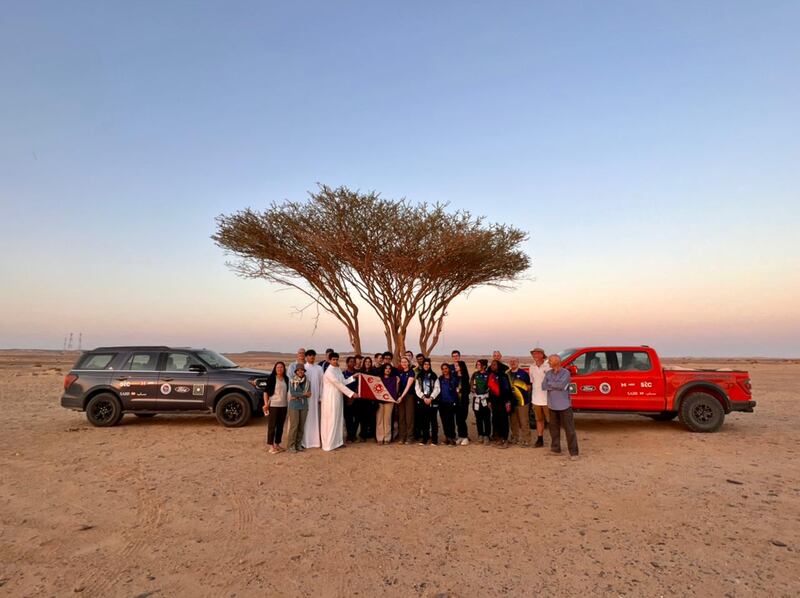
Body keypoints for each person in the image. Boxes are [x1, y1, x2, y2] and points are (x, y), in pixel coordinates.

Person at [543, 354, 579, 459]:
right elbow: (544, 385)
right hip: (552, 406)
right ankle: (555, 449)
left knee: (569, 430)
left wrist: (552, 384)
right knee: (553, 429)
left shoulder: (566, 373)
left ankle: (574, 452)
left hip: (565, 406)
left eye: (550, 360)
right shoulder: (548, 373)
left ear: (556, 361)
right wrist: (555, 384)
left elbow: (561, 385)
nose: (548, 362)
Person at [320, 352, 358, 451]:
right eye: (333, 359)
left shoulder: (337, 370)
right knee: (331, 420)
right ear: (329, 360)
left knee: (338, 419)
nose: (335, 361)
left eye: (337, 359)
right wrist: (351, 394)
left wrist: (353, 377)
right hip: (330, 399)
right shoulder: (329, 372)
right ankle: (329, 444)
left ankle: (337, 442)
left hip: (338, 398)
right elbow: (338, 384)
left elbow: (343, 382)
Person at [263, 361, 289, 454]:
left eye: (281, 367)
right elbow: (266, 392)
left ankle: (277, 444)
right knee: (272, 426)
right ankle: (271, 446)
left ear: (284, 369)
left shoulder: (286, 378)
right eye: (278, 367)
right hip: (273, 405)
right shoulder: (272, 378)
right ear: (275, 368)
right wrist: (266, 404)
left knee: (280, 426)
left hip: (284, 405)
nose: (279, 369)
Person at [285, 363, 311, 452]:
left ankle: (298, 444)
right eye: (299, 370)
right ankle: (290, 446)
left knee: (301, 426)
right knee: (294, 426)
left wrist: (301, 395)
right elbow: (293, 393)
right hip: (294, 405)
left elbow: (309, 394)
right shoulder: (292, 380)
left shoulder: (307, 381)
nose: (300, 371)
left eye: (302, 370)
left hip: (304, 405)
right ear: (296, 371)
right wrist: (303, 394)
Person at [302, 350, 324, 449]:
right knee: (306, 418)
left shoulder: (319, 368)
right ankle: (305, 441)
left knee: (316, 418)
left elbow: (322, 384)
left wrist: (321, 396)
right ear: (306, 357)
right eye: (310, 355)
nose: (312, 357)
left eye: (313, 356)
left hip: (316, 398)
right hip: (305, 398)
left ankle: (316, 441)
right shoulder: (303, 368)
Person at [414, 358, 440, 445]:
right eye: (425, 364)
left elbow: (437, 388)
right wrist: (423, 397)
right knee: (424, 420)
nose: (426, 366)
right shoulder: (419, 376)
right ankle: (425, 438)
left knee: (433, 420)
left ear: (430, 365)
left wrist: (431, 398)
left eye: (428, 364)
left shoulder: (434, 375)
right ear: (423, 365)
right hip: (423, 400)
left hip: (433, 401)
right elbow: (417, 389)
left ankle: (434, 439)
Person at [528, 347, 551, 448]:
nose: (535, 356)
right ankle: (540, 439)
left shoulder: (548, 366)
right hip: (536, 398)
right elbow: (532, 382)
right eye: (533, 354)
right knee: (539, 420)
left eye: (537, 354)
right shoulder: (531, 367)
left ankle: (554, 441)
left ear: (542, 354)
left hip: (547, 399)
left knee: (551, 420)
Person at [488, 359, 512, 448]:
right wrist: (489, 401)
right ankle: (499, 438)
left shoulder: (503, 376)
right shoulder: (491, 376)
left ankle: (505, 439)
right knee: (496, 420)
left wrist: (507, 401)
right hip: (494, 402)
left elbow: (507, 389)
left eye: (494, 364)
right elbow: (490, 390)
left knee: (504, 421)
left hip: (503, 401)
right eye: (491, 364)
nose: (492, 366)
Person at [508, 358, 532, 447]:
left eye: (515, 361)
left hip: (522, 401)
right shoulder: (507, 374)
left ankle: (526, 440)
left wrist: (521, 390)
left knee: (524, 421)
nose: (513, 363)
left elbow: (529, 387)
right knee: (513, 421)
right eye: (511, 361)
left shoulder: (523, 374)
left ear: (518, 363)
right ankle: (515, 437)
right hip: (511, 402)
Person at [450, 350, 471, 445]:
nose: (456, 367)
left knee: (462, 418)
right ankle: (460, 436)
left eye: (458, 366)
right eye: (456, 366)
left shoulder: (465, 377)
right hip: (455, 400)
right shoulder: (454, 377)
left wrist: (461, 390)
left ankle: (465, 437)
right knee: (457, 419)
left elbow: (468, 389)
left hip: (463, 400)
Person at [376, 363, 399, 444]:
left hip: (390, 401)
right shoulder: (378, 379)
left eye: (389, 368)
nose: (388, 370)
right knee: (379, 419)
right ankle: (379, 438)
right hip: (380, 401)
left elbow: (396, 390)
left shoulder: (394, 379)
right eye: (386, 368)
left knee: (387, 420)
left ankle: (387, 438)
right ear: (383, 369)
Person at [395, 356, 416, 444]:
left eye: (405, 362)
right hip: (400, 397)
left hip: (408, 396)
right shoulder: (400, 373)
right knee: (401, 417)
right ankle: (402, 437)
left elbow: (408, 387)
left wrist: (401, 397)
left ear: (408, 363)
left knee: (409, 417)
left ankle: (409, 437)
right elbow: (398, 386)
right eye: (402, 362)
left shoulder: (411, 372)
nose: (403, 363)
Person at [438, 363, 459, 445]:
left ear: (449, 369)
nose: (444, 370)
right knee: (444, 421)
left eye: (446, 368)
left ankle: (452, 437)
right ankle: (447, 437)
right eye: (443, 369)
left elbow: (456, 388)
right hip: (442, 403)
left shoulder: (453, 379)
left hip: (451, 402)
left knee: (451, 421)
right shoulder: (440, 379)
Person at [356, 357, 377, 441]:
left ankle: (372, 434)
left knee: (372, 417)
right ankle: (363, 435)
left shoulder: (374, 372)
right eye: (366, 361)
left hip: (371, 398)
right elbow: (358, 385)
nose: (368, 363)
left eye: (369, 362)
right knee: (363, 417)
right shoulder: (360, 373)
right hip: (363, 398)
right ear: (364, 363)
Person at [471, 359, 491, 444]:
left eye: (479, 364)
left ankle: (487, 435)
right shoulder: (475, 374)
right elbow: (471, 385)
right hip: (477, 399)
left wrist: (490, 401)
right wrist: (473, 390)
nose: (477, 366)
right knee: (478, 418)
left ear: (484, 366)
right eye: (477, 364)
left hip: (486, 399)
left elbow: (491, 388)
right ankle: (480, 435)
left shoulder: (489, 375)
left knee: (486, 418)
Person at [343, 356, 360, 443]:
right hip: (347, 398)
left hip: (357, 398)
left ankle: (354, 435)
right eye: (351, 362)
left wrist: (355, 394)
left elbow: (360, 385)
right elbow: (342, 385)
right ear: (347, 363)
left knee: (356, 418)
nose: (352, 363)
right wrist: (349, 396)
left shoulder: (358, 373)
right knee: (348, 418)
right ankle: (349, 436)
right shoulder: (343, 374)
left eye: (354, 362)